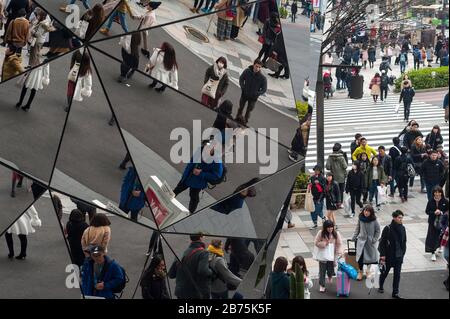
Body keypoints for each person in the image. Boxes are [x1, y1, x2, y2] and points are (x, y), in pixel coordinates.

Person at [173, 142, 224, 213]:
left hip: (197, 183)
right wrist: (186, 169)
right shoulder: (200, 149)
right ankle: (166, 201)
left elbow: (216, 176)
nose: (206, 148)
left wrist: (201, 173)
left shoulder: (217, 161)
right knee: (177, 190)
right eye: (207, 145)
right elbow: (192, 161)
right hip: (187, 177)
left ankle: (190, 212)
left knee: (193, 197)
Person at [168, 234, 212, 299]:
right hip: (195, 292)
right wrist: (211, 272)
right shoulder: (203, 253)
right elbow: (203, 271)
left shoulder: (181, 252)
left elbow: (171, 274)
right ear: (200, 238)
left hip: (181, 292)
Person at [378, 210, 407, 299]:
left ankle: (395, 292)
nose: (400, 219)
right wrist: (382, 255)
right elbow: (382, 242)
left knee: (397, 275)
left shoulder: (403, 228)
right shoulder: (388, 228)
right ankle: (381, 285)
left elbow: (404, 241)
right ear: (394, 218)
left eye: (401, 218)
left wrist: (403, 253)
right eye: (399, 217)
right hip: (389, 256)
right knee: (385, 273)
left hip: (399, 256)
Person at [352, 205, 380, 280]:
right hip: (361, 241)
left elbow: (378, 230)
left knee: (369, 258)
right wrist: (354, 237)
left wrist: (374, 239)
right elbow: (357, 229)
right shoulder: (360, 219)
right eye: (365, 211)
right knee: (360, 258)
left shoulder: (374, 220)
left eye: (368, 211)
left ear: (371, 212)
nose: (366, 212)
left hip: (370, 242)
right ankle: (360, 272)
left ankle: (368, 271)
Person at [314, 220, 343, 293]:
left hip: (332, 255)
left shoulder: (336, 233)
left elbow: (339, 243)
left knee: (330, 269)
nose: (330, 229)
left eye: (331, 227)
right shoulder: (321, 233)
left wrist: (338, 252)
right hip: (323, 255)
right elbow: (316, 242)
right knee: (322, 271)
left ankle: (330, 276)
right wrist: (324, 243)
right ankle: (322, 285)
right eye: (328, 227)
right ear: (325, 228)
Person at [236, 59, 267, 125]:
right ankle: (237, 118)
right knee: (241, 107)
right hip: (244, 94)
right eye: (256, 66)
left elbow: (264, 89)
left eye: (259, 67)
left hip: (253, 98)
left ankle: (245, 122)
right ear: (253, 65)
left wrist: (257, 93)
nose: (257, 68)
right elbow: (241, 79)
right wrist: (243, 87)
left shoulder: (263, 78)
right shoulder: (247, 71)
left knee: (249, 111)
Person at [425, 186, 449, 262]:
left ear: (441, 193)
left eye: (439, 192)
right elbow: (427, 211)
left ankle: (440, 246)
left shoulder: (445, 201)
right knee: (432, 237)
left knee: (441, 235)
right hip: (432, 222)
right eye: (435, 192)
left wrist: (441, 212)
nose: (437, 194)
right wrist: (434, 213)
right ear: (433, 193)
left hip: (442, 222)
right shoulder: (430, 201)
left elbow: (447, 210)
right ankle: (433, 252)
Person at [308, 165, 326, 229]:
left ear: (320, 171)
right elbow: (310, 185)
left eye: (317, 170)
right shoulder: (312, 177)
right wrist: (311, 184)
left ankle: (323, 217)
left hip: (320, 197)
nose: (316, 171)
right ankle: (315, 223)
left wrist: (319, 183)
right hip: (313, 196)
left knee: (317, 210)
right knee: (312, 210)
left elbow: (324, 188)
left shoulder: (323, 178)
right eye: (315, 170)